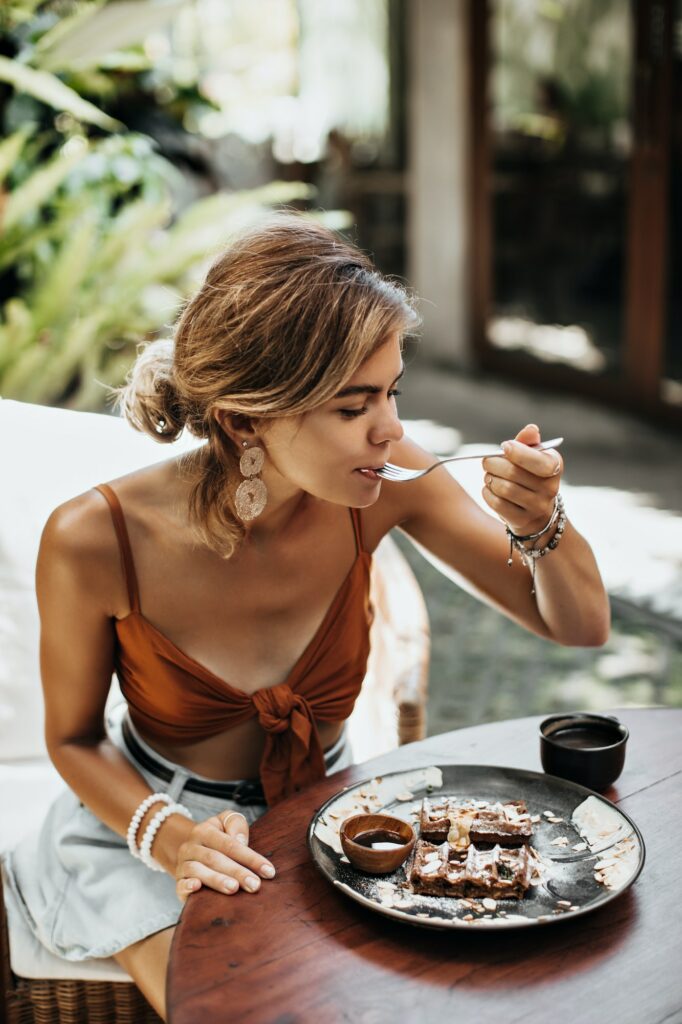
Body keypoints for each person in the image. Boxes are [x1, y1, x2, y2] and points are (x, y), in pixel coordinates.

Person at [2, 216, 609, 1020]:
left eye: (392, 391)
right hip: (148, 835)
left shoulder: (390, 481)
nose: (391, 429)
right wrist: (174, 837)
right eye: (355, 405)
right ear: (245, 418)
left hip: (332, 816)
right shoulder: (95, 539)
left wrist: (539, 522)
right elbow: (71, 741)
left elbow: (577, 625)